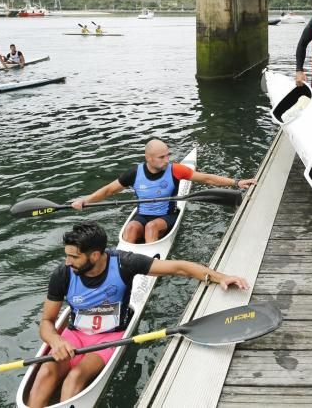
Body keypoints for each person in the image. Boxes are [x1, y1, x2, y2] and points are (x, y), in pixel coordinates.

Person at [26, 221, 249, 408]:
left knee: (74, 377)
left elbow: (179, 268)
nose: (67, 261)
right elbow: (47, 322)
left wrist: (220, 277)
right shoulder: (62, 274)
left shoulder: (124, 263)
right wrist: (55, 341)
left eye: (73, 257)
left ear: (94, 255)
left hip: (109, 338)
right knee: (46, 372)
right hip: (73, 336)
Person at [71, 139, 256, 243]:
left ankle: (151, 263)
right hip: (142, 214)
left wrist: (236, 182)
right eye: (161, 157)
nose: (166, 159)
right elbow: (108, 191)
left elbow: (206, 178)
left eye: (168, 155)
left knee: (151, 227)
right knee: (131, 227)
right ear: (148, 158)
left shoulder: (176, 170)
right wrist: (85, 200)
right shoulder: (134, 173)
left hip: (167, 215)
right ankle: (127, 257)